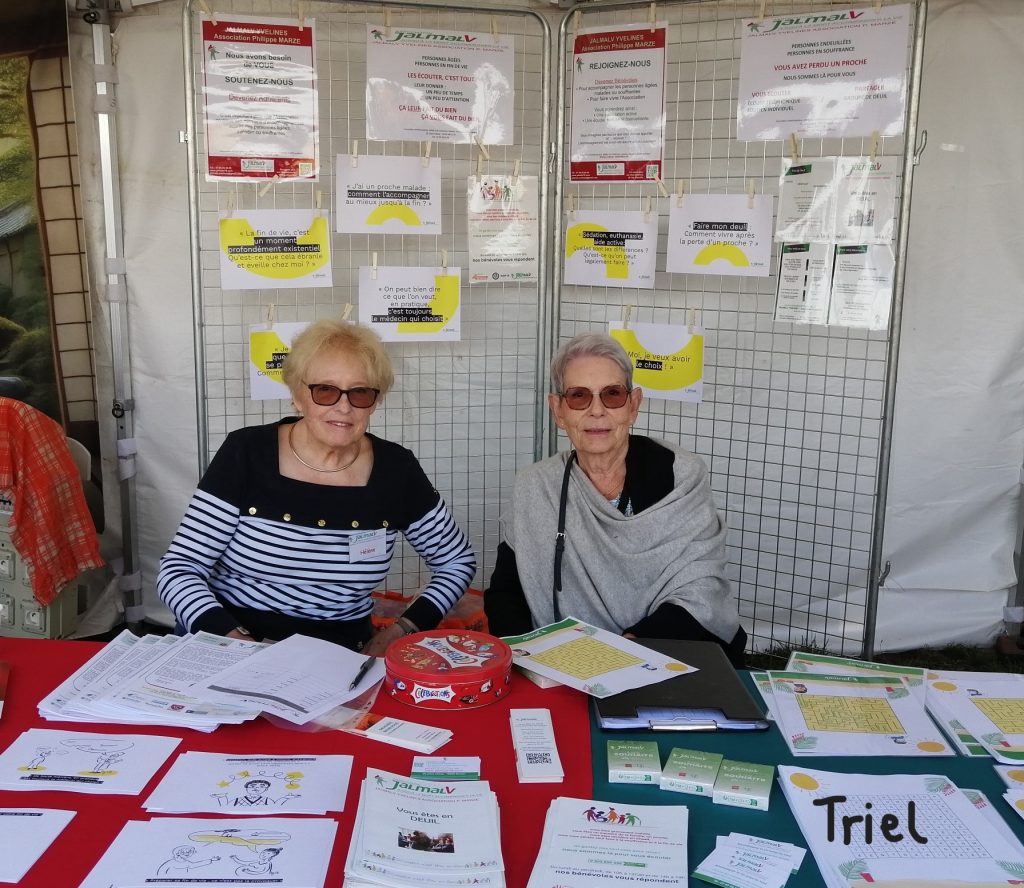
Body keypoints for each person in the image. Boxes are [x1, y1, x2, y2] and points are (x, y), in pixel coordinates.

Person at [157, 319, 476, 655]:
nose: (343, 406)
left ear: (375, 401)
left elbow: (456, 561)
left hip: (341, 655)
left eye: (360, 392)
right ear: (298, 396)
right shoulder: (247, 453)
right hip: (228, 644)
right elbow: (180, 568)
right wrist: (234, 643)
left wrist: (399, 633)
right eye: (325, 390)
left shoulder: (396, 470)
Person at [484, 333, 746, 665]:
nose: (597, 411)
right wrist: (529, 661)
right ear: (558, 411)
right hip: (561, 666)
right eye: (579, 396)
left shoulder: (680, 476)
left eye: (612, 395)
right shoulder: (536, 486)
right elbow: (507, 592)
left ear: (633, 405)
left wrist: (624, 652)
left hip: (667, 656)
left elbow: (702, 592)